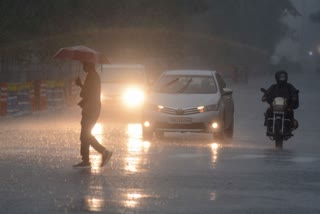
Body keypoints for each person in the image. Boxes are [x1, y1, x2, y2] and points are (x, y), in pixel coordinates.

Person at [73, 62, 112, 168]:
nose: (83, 67)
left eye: (84, 65)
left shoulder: (92, 77)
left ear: (89, 66)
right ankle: (85, 160)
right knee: (84, 135)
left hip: (91, 109)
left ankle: (104, 151)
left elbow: (85, 93)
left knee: (85, 134)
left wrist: (80, 84)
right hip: (91, 108)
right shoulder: (93, 76)